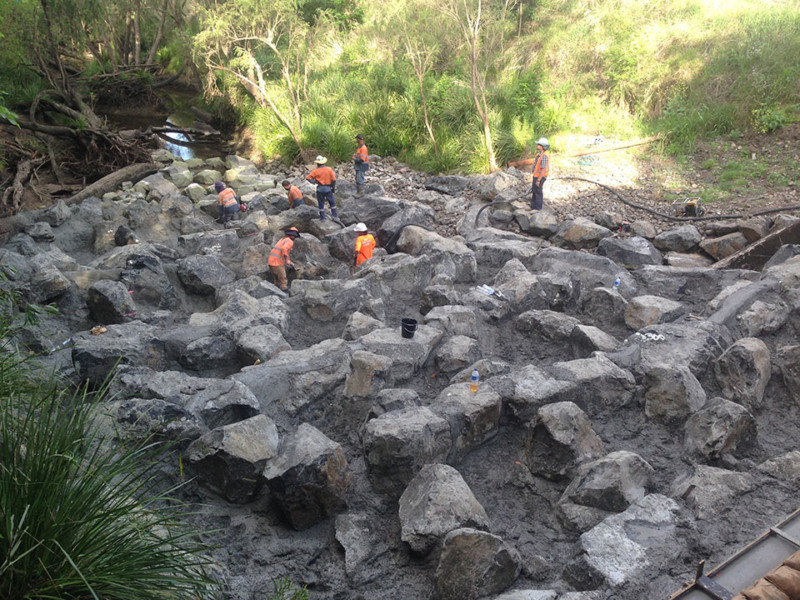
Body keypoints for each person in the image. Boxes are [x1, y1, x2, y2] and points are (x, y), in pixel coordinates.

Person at [508, 137, 550, 210]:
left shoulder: (544, 156)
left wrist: (538, 180)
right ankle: (533, 206)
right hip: (536, 176)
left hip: (540, 177)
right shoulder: (539, 154)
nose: (537, 145)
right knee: (534, 190)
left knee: (538, 192)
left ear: (542, 146)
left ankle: (537, 208)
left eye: (539, 144)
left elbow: (543, 169)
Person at [306, 155, 337, 220]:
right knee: (332, 202)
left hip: (320, 189)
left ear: (317, 163)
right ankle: (335, 216)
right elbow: (334, 180)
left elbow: (308, 177)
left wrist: (314, 181)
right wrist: (332, 188)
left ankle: (322, 218)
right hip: (328, 188)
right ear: (323, 162)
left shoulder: (316, 171)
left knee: (321, 203)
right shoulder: (329, 169)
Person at [268, 227, 300, 291]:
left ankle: (275, 291)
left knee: (277, 278)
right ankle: (284, 291)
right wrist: (287, 260)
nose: (294, 237)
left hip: (271, 261)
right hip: (277, 262)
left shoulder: (283, 239)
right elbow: (284, 248)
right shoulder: (289, 241)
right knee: (283, 278)